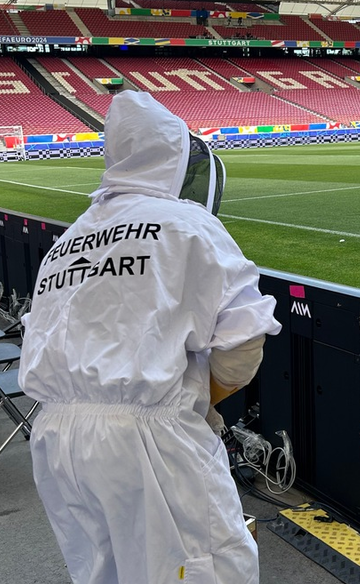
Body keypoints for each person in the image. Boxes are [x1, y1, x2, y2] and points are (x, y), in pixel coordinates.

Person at [19, 90, 281, 584]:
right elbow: (244, 341)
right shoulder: (187, 224)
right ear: (174, 158)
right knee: (204, 569)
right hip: (148, 440)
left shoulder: (71, 238)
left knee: (103, 573)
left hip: (58, 442)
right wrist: (204, 399)